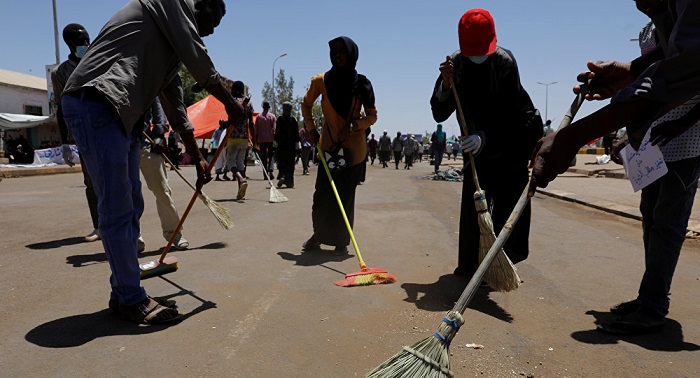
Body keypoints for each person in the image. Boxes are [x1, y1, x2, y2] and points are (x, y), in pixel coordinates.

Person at [61, 0, 244, 325]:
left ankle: (124, 292)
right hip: (98, 102)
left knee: (131, 207)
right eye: (210, 23)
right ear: (200, 6)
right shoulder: (170, 3)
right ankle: (132, 299)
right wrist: (231, 104)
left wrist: (199, 158)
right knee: (117, 209)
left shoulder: (170, 47)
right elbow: (199, 60)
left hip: (122, 114)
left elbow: (176, 108)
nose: (209, 33)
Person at [528, 0, 700, 334]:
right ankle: (649, 297)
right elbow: (668, 58)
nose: (640, 4)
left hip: (685, 139)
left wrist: (571, 137)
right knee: (651, 216)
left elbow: (690, 67)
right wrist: (631, 71)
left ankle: (652, 307)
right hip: (651, 140)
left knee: (668, 223)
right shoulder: (660, 19)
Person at [431, 8, 543, 279]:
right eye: (474, 52)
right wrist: (445, 86)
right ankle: (471, 267)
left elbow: (510, 111)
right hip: (475, 151)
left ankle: (505, 261)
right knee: (475, 209)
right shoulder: (454, 64)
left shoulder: (504, 62)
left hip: (509, 141)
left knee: (509, 204)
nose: (479, 57)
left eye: (483, 51)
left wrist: (486, 137)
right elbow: (439, 112)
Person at [301, 36, 377, 254]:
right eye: (334, 53)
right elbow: (306, 105)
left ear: (351, 55)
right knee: (322, 195)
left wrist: (354, 125)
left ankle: (341, 242)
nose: (337, 56)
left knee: (344, 198)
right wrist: (311, 128)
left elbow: (372, 116)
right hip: (327, 148)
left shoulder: (362, 84)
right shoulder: (320, 81)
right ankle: (318, 235)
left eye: (342, 53)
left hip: (353, 151)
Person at [51, 23, 100, 243]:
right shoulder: (60, 72)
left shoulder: (99, 59)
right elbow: (61, 107)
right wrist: (64, 142)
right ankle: (99, 226)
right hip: (82, 131)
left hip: (106, 125)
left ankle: (120, 221)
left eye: (87, 39)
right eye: (80, 40)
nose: (85, 44)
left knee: (116, 177)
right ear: (69, 44)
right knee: (91, 180)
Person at [138, 98, 189, 252]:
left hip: (146, 146)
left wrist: (159, 134)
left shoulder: (144, 77)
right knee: (128, 195)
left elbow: (157, 105)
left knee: (163, 191)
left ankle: (173, 234)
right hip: (121, 147)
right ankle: (134, 237)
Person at [224, 81, 256, 200]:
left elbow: (231, 120)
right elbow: (251, 124)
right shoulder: (248, 103)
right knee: (240, 163)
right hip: (244, 137)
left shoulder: (231, 101)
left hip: (233, 136)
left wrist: (225, 128)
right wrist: (255, 141)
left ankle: (241, 179)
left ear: (234, 89)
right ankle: (240, 191)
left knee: (230, 163)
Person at [275, 101, 300, 188]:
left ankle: (282, 176)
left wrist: (276, 143)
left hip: (281, 146)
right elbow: (297, 135)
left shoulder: (279, 119)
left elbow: (277, 133)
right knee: (290, 164)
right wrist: (297, 147)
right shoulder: (293, 120)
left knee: (282, 162)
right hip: (291, 146)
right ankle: (289, 180)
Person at [255, 101, 276, 180]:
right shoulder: (272, 116)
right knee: (271, 156)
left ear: (263, 107)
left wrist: (256, 141)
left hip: (261, 140)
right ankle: (270, 170)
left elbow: (256, 129)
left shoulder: (258, 117)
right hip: (270, 139)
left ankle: (265, 174)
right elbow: (274, 129)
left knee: (263, 157)